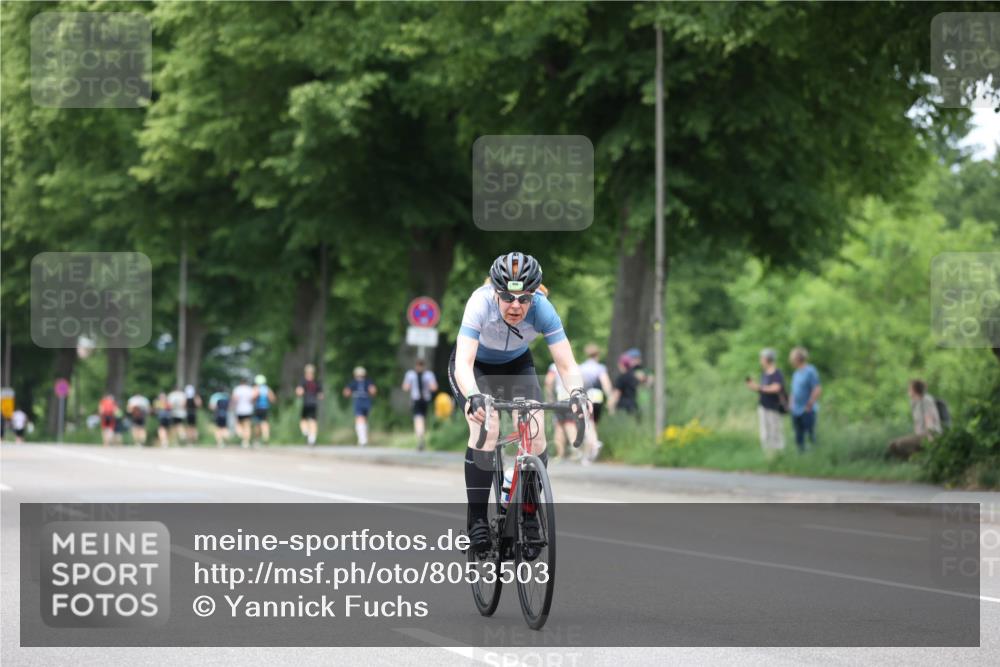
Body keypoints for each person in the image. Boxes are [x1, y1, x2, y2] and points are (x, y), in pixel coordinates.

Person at [447, 251, 590, 554]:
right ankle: (476, 522)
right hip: (476, 368)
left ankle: (527, 514)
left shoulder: (543, 309)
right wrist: (473, 396)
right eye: (508, 298)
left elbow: (566, 364)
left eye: (524, 299)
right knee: (487, 426)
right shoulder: (479, 302)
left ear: (534, 295)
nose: (515, 306)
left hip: (516, 364)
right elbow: (463, 362)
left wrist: (577, 393)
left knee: (535, 434)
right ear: (496, 292)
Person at [887, 379, 942, 460]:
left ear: (915, 390)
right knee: (892, 445)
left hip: (930, 434)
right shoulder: (914, 402)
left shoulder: (926, 400)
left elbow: (929, 419)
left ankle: (919, 460)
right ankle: (912, 462)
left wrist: (930, 436)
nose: (908, 390)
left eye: (910, 388)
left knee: (900, 444)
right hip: (920, 434)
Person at [745, 348, 786, 456]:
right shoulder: (764, 373)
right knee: (765, 432)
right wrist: (755, 387)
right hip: (763, 406)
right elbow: (763, 388)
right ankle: (767, 454)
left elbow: (776, 388)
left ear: (768, 359)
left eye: (762, 358)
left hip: (774, 407)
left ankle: (778, 454)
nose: (760, 360)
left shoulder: (777, 373)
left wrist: (759, 387)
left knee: (775, 431)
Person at [579, 343, 614, 463]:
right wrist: (610, 398)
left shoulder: (582, 367)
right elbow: (606, 384)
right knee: (593, 424)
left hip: (587, 397)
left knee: (588, 424)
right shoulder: (600, 368)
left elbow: (580, 383)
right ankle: (589, 453)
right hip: (598, 397)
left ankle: (593, 444)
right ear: (597, 354)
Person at [789, 346, 822, 451]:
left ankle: (816, 455)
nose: (791, 361)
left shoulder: (810, 371)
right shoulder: (796, 373)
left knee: (809, 434)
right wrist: (791, 404)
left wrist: (810, 404)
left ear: (798, 359)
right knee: (798, 435)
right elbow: (793, 391)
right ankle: (801, 454)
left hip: (807, 409)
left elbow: (817, 388)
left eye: (792, 358)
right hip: (796, 409)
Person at [402, 358, 438, 451]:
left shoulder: (428, 375)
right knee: (418, 419)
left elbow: (434, 387)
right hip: (416, 399)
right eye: (418, 365)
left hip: (425, 399)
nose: (420, 367)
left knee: (422, 419)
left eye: (421, 365)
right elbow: (405, 387)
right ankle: (420, 438)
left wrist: (429, 385)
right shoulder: (411, 375)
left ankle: (421, 436)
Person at [544, 361, 575, 461]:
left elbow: (548, 381)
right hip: (572, 397)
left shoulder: (554, 366)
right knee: (570, 424)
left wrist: (549, 397)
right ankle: (575, 450)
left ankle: (559, 455)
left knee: (559, 426)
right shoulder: (574, 365)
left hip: (561, 397)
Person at [343, 367, 376, 446]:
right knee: (363, 419)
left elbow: (346, 392)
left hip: (359, 401)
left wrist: (348, 393)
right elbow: (373, 390)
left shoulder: (354, 382)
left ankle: (362, 439)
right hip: (366, 401)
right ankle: (363, 439)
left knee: (359, 419)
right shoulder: (368, 381)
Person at [296, 364, 324, 446]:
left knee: (303, 420)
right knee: (313, 421)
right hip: (314, 403)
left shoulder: (303, 381)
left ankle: (306, 432)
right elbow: (321, 395)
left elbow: (299, 391)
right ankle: (312, 438)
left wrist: (300, 392)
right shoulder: (317, 382)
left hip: (306, 403)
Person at [610, 352, 644, 417]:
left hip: (622, 408)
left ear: (622, 365)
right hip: (633, 405)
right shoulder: (634, 376)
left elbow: (617, 393)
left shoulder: (622, 378)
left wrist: (611, 405)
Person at [231, 378, 256, 448]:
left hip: (239, 410)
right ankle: (246, 442)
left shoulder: (237, 389)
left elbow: (234, 399)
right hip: (248, 410)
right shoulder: (250, 389)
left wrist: (232, 407)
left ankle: (242, 436)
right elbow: (253, 398)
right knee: (247, 426)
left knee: (238, 425)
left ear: (240, 382)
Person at [252, 374, 276, 445]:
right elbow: (273, 399)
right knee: (265, 423)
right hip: (265, 408)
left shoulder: (256, 388)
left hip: (258, 408)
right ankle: (266, 438)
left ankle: (256, 440)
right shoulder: (267, 389)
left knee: (257, 425)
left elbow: (253, 397)